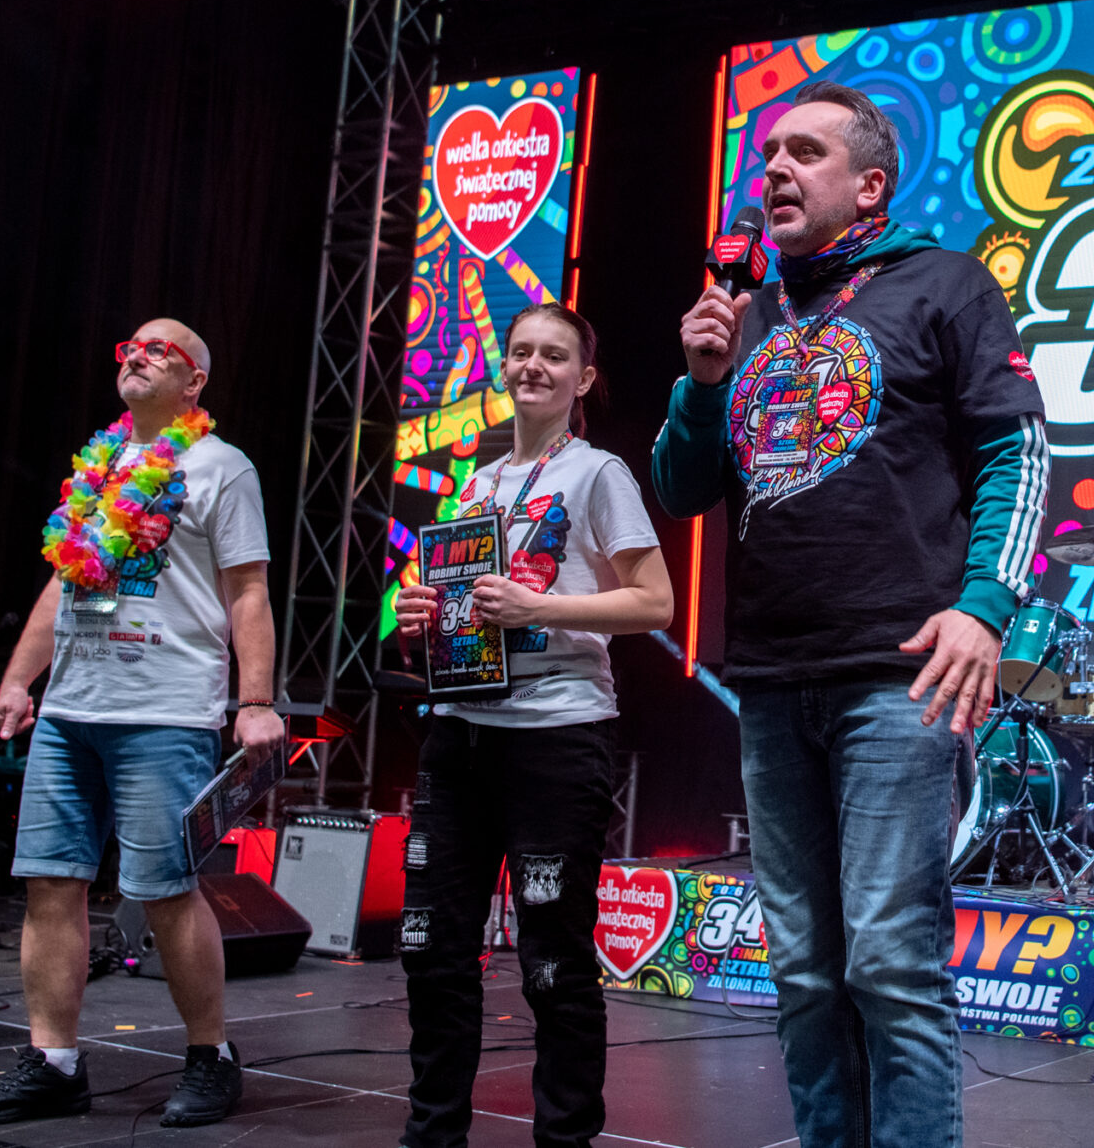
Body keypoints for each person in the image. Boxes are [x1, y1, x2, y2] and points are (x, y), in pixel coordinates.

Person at [650, 81, 1049, 1148]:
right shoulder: (749, 312)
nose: (774, 168)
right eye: (768, 153)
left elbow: (1018, 449)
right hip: (772, 678)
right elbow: (682, 489)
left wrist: (984, 607)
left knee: (889, 962)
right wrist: (700, 383)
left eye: (804, 151)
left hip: (899, 671)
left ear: (870, 184)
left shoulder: (943, 282)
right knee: (804, 970)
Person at [0, 319, 284, 1131]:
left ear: (195, 381)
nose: (137, 353)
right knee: (49, 882)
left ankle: (211, 1055)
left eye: (160, 350)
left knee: (165, 891)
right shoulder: (98, 465)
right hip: (71, 711)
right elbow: (62, 583)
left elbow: (248, 590)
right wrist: (19, 679)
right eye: (129, 346)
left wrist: (255, 699)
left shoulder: (222, 466)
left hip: (165, 709)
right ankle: (54, 1061)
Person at [391, 301, 673, 1148]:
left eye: (553, 355)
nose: (533, 366)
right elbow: (453, 609)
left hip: (556, 734)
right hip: (459, 729)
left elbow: (655, 601)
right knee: (434, 950)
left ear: (583, 378)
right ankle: (431, 1133)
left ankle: (564, 1139)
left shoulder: (597, 473)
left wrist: (539, 606)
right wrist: (420, 614)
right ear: (503, 363)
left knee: (552, 959)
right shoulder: (477, 484)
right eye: (521, 351)